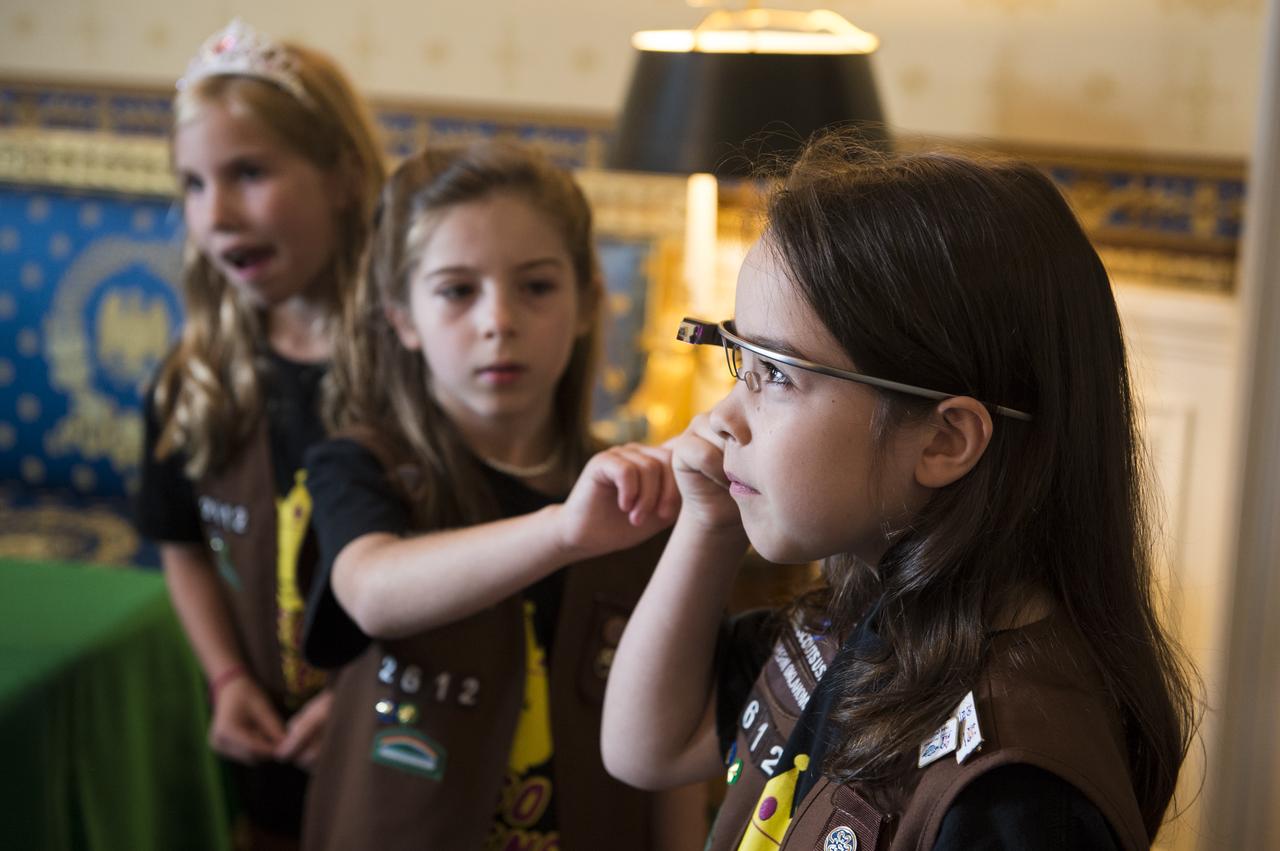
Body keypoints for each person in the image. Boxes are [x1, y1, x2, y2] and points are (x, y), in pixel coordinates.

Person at [601, 137, 1197, 851]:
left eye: (777, 374)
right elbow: (647, 747)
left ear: (944, 441)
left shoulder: (1014, 796)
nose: (724, 420)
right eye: (741, 360)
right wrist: (709, 524)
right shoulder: (862, 615)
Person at [299, 140, 706, 851]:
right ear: (401, 315)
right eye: (458, 290)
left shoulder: (643, 492)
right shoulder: (360, 467)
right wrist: (562, 532)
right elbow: (370, 587)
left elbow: (673, 736)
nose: (499, 320)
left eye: (537, 286)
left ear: (585, 301)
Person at [134, 18, 385, 849]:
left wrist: (357, 693)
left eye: (248, 172)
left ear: (343, 175)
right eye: (195, 185)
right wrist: (226, 675)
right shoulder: (196, 376)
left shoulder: (411, 367)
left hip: (398, 725)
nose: (218, 213)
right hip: (264, 734)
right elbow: (181, 543)